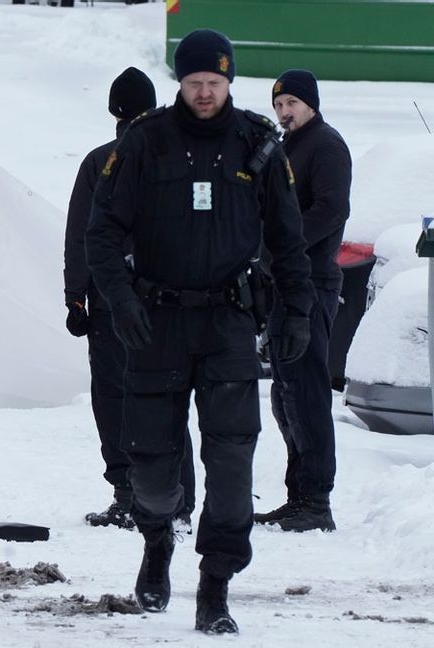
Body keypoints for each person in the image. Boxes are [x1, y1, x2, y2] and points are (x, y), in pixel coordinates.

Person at [86, 30, 314, 634]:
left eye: (215, 82)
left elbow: (289, 240)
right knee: (154, 468)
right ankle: (157, 540)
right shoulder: (144, 143)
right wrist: (119, 302)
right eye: (194, 83)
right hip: (155, 324)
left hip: (229, 323)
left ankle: (215, 583)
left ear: (230, 82)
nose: (205, 92)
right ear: (180, 84)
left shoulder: (259, 146)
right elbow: (101, 233)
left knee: (233, 460)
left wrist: (296, 308)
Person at [64, 67, 197, 532]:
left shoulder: (101, 161)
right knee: (167, 394)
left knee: (115, 395)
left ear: (114, 113)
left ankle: (129, 492)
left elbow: (82, 234)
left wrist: (75, 297)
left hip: (110, 299)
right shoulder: (183, 156)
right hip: (171, 300)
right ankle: (179, 495)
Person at [255, 70, 351, 533]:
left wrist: (284, 248)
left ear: (310, 103)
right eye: (278, 105)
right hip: (283, 286)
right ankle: (299, 495)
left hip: (310, 284)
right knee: (285, 394)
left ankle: (316, 500)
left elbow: (331, 209)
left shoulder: (327, 146)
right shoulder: (284, 148)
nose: (284, 112)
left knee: (307, 393)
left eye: (291, 102)